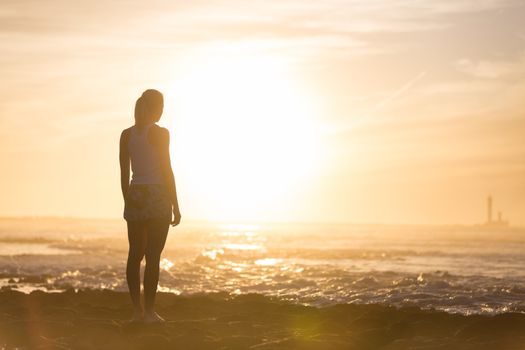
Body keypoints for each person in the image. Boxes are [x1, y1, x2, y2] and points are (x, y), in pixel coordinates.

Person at [119, 89, 181, 323]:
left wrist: (129, 201)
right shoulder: (161, 133)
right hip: (157, 195)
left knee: (135, 255)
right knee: (153, 256)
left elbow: (124, 173)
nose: (163, 110)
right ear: (156, 108)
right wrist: (175, 204)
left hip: (136, 194)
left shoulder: (126, 135)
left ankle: (136, 311)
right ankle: (150, 313)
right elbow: (167, 169)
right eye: (162, 106)